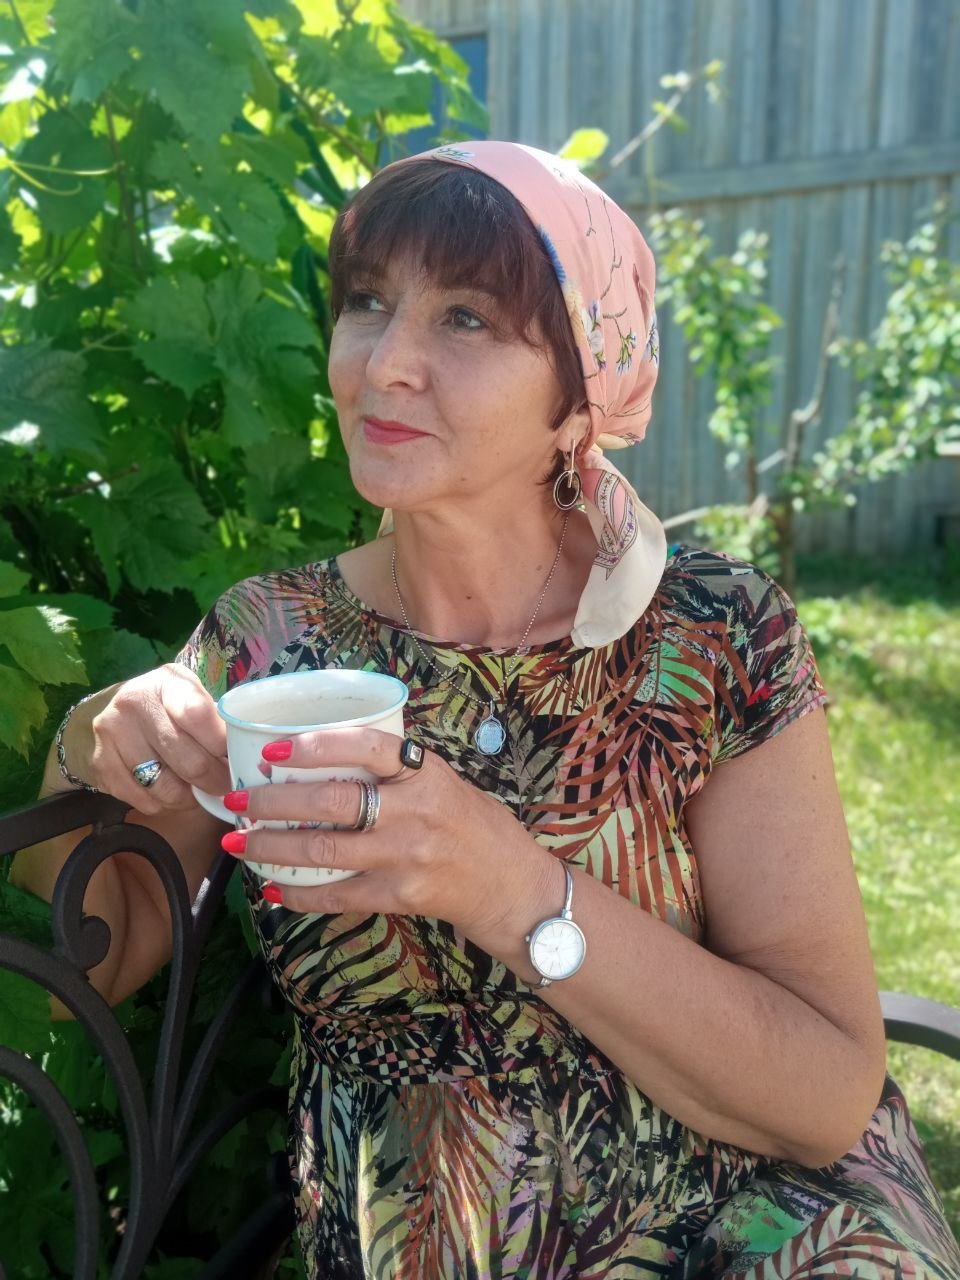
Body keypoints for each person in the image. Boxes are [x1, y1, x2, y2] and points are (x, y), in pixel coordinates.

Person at [14, 142, 960, 1279]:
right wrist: (92, 744)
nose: (386, 363)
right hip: (444, 1235)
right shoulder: (270, 641)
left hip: (768, 1219)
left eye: (464, 318)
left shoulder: (711, 635)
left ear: (580, 393)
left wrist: (511, 888)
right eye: (369, 302)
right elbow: (89, 965)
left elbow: (823, 1095)